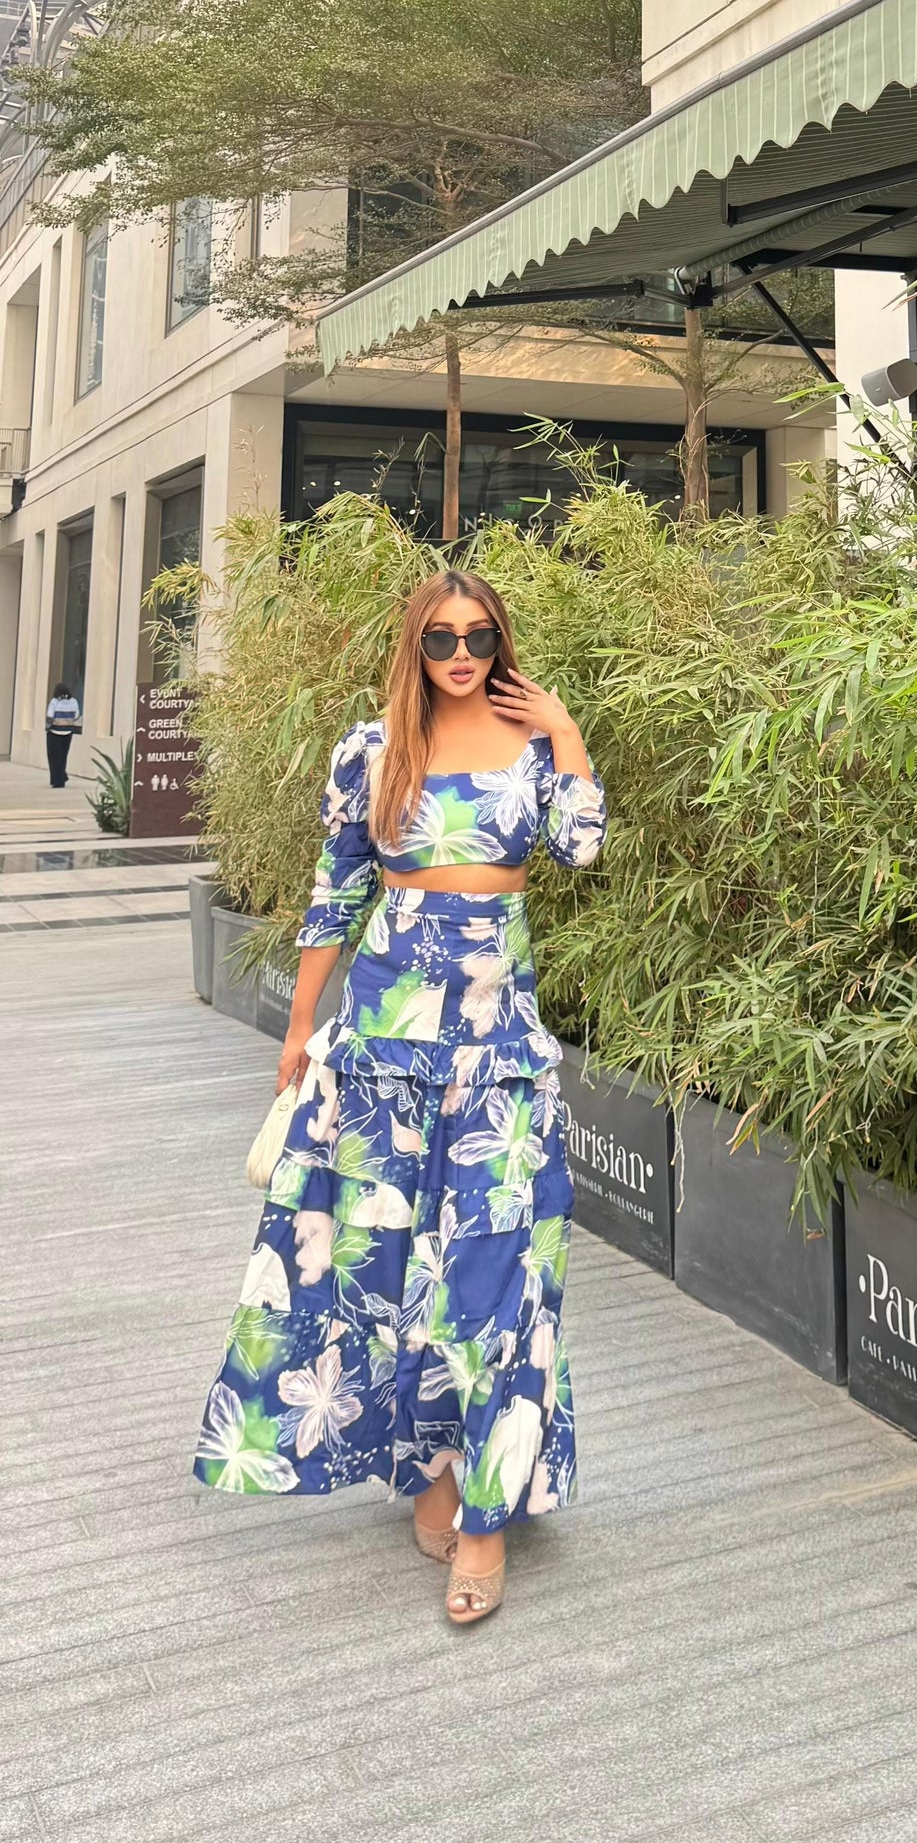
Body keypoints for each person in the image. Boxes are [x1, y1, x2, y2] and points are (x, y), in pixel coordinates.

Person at [193, 568, 607, 1625]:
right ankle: (431, 1469)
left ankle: (483, 1518)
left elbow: (581, 847)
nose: (460, 653)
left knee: (501, 1265)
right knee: (381, 1260)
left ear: (500, 642)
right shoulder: (368, 748)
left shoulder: (528, 741)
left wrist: (563, 729)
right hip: (381, 1037)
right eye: (438, 638)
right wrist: (298, 1034)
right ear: (411, 647)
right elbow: (335, 892)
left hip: (496, 1043)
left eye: (477, 636)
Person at [44, 681, 81, 787]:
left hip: (54, 732)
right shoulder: (74, 701)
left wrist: (47, 727)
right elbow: (76, 716)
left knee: (53, 757)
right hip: (68, 732)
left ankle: (56, 780)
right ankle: (62, 778)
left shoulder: (54, 702)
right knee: (63, 757)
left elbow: (50, 716)